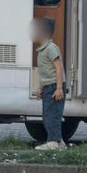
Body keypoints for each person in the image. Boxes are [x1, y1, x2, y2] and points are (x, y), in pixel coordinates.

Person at [31, 17, 67, 150]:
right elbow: (44, 72)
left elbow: (58, 68)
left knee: (52, 116)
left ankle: (53, 142)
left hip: (54, 86)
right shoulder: (42, 49)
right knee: (48, 116)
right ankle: (59, 142)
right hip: (48, 86)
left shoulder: (51, 48)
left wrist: (59, 88)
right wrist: (40, 87)